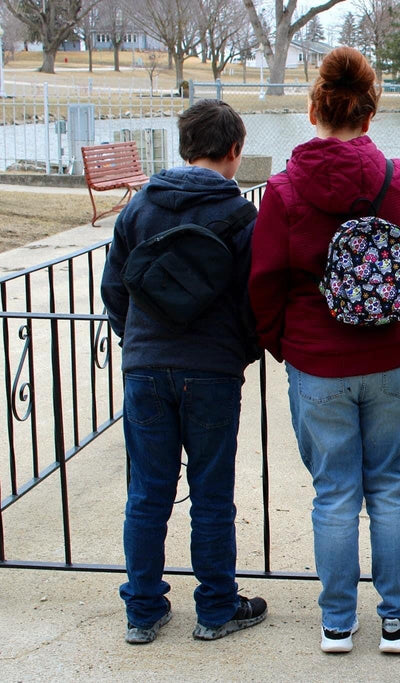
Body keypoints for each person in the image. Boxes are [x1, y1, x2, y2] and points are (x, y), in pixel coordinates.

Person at [248, 47, 400, 655]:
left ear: (312, 108)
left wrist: (286, 345)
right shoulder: (392, 176)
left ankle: (338, 622)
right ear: (369, 115)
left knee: (335, 493)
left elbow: (264, 281)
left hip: (318, 360)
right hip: (391, 352)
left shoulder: (281, 189)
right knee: (390, 488)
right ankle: (398, 618)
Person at [100, 99, 267, 644]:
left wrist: (139, 343)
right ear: (235, 151)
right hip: (213, 372)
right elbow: (254, 300)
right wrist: (238, 350)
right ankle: (216, 608)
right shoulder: (242, 215)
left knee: (147, 493)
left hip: (145, 367)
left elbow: (115, 289)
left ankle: (142, 611)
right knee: (212, 493)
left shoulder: (138, 208)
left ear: (184, 145)